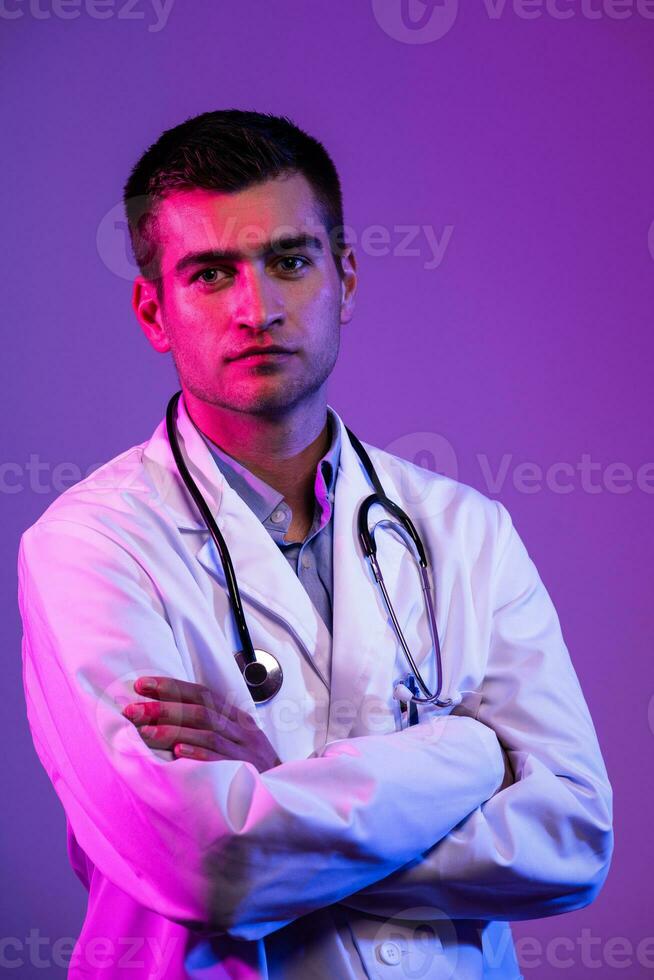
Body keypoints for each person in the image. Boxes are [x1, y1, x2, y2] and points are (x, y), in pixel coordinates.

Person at [17, 109, 613, 979]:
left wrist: (278, 785)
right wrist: (474, 754)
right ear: (154, 310)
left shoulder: (467, 530)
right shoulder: (87, 545)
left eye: (289, 262)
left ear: (346, 279)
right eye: (211, 274)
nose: (257, 309)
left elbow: (573, 840)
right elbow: (208, 864)